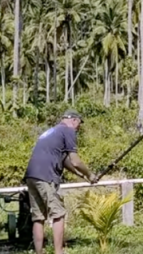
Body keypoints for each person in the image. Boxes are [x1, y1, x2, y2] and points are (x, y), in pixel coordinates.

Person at [24, 109, 96, 254]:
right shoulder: (68, 131)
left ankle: (39, 251)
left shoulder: (51, 132)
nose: (78, 128)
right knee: (58, 214)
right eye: (79, 124)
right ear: (74, 120)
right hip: (46, 176)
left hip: (32, 176)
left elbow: (64, 160)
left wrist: (80, 175)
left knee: (38, 217)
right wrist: (90, 174)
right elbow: (75, 161)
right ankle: (59, 251)